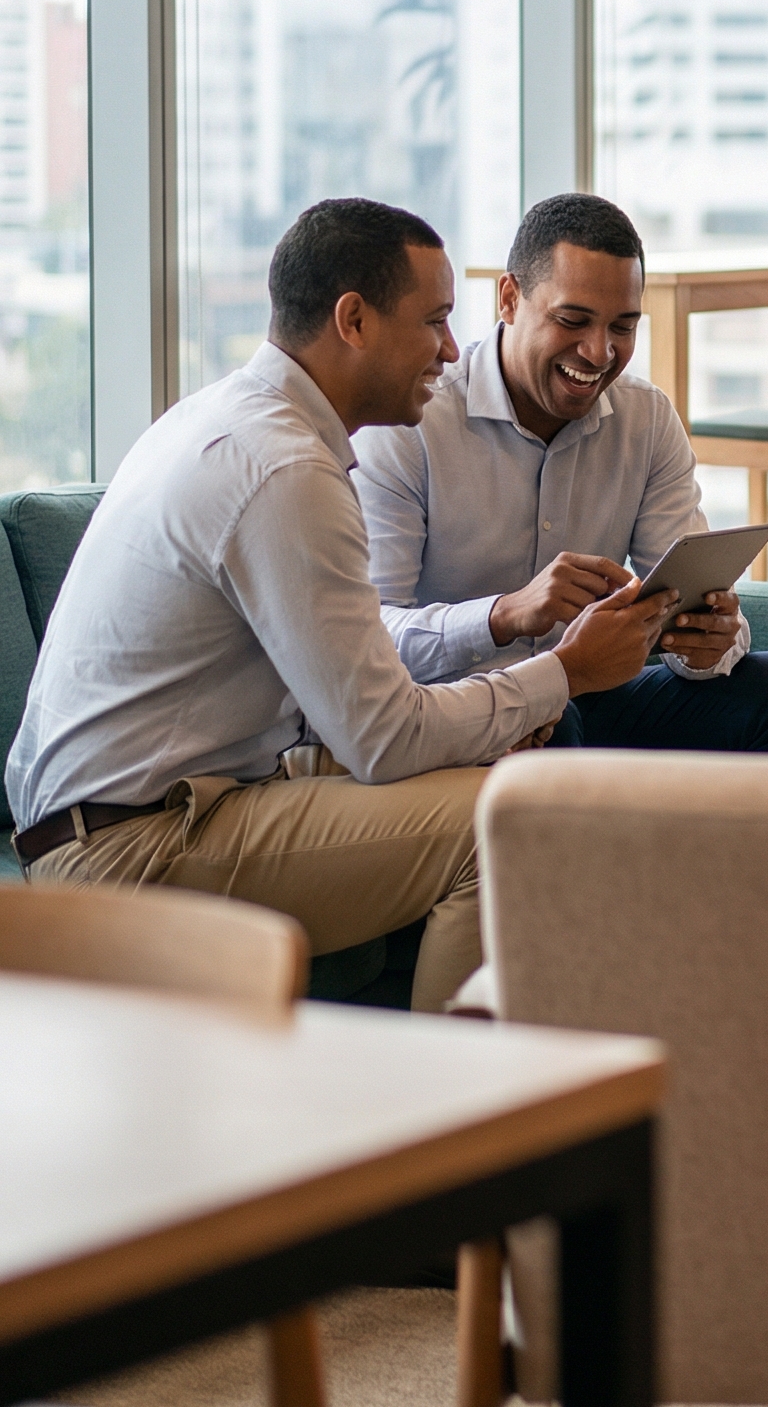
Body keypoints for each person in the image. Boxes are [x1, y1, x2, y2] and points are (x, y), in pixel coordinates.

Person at [3, 199, 672, 1012]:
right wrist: (563, 673)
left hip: (137, 813)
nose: (451, 350)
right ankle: (462, 1089)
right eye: (433, 322)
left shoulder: (232, 419)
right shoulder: (285, 472)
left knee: (502, 772)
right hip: (126, 850)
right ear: (353, 320)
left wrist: (504, 711)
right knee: (513, 821)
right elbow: (385, 739)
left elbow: (347, 707)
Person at [354, 193, 768, 758]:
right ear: (508, 298)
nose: (599, 352)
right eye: (573, 321)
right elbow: (370, 637)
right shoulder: (411, 421)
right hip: (469, 706)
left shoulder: (645, 418)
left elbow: (692, 599)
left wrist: (711, 642)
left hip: (594, 694)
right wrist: (503, 614)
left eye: (623, 327)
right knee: (553, 728)